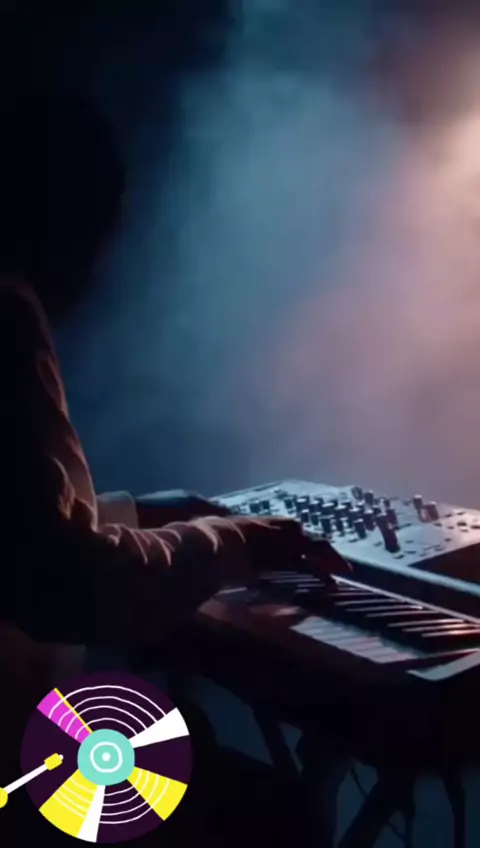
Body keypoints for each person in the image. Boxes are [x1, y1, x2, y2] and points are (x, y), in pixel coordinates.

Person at [0, 91, 350, 843]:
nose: (99, 265)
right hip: (15, 779)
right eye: (100, 232)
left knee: (179, 728)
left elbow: (16, 529)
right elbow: (68, 586)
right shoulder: (5, 313)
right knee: (272, 815)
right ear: (63, 217)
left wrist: (147, 512)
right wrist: (235, 542)